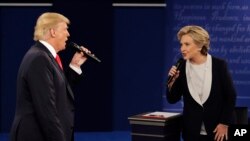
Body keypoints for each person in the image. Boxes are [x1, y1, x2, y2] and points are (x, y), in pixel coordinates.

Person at [10, 12, 90, 141]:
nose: (68, 34)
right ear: (53, 32)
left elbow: (59, 93)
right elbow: (46, 110)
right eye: (65, 29)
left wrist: (74, 65)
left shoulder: (45, 56)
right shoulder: (39, 58)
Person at [166, 25, 236, 141]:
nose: (182, 49)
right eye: (181, 44)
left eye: (187, 44)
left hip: (218, 131)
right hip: (192, 132)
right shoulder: (181, 67)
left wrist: (224, 124)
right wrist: (171, 82)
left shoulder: (219, 65)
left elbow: (230, 97)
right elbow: (172, 99)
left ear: (199, 45)